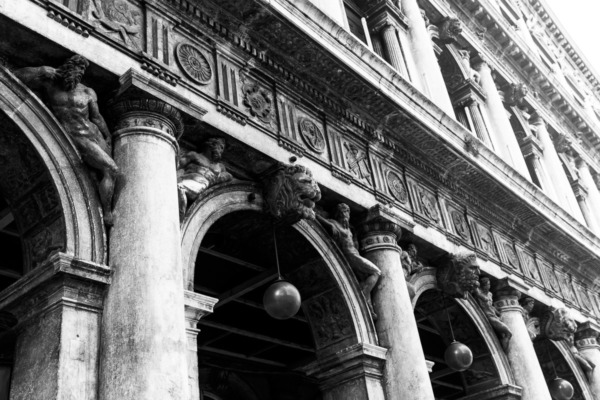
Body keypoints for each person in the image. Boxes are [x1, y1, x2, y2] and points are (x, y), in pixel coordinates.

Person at [15, 55, 118, 226]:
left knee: (110, 174)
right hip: (76, 137)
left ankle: (101, 200)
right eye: (74, 68)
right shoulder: (50, 80)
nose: (77, 72)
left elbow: (97, 117)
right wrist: (39, 70)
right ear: (67, 67)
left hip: (94, 135)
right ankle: (107, 214)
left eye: (81, 70)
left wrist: (108, 135)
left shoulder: (87, 92)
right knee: (111, 169)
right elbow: (16, 76)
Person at [316, 203, 381, 319]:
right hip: (350, 256)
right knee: (375, 272)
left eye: (347, 212)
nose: (346, 214)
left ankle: (368, 306)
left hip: (355, 254)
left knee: (365, 277)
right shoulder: (335, 223)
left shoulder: (348, 229)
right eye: (344, 211)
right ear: (338, 213)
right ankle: (363, 292)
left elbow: (354, 243)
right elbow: (324, 221)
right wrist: (318, 216)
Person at [177, 137, 232, 220]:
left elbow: (229, 177)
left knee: (179, 188)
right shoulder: (194, 155)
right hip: (186, 178)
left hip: (201, 184)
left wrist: (217, 178)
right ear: (211, 145)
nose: (221, 151)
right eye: (220, 147)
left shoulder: (220, 167)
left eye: (222, 149)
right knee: (176, 187)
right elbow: (177, 165)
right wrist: (199, 169)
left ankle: (179, 218)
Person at [474, 277, 512, 350]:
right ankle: (503, 350)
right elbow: (478, 293)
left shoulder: (490, 294)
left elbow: (491, 306)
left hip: (494, 315)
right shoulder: (479, 293)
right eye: (487, 285)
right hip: (488, 317)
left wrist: (498, 312)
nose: (489, 286)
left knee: (503, 334)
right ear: (483, 286)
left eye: (489, 284)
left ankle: (502, 349)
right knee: (508, 332)